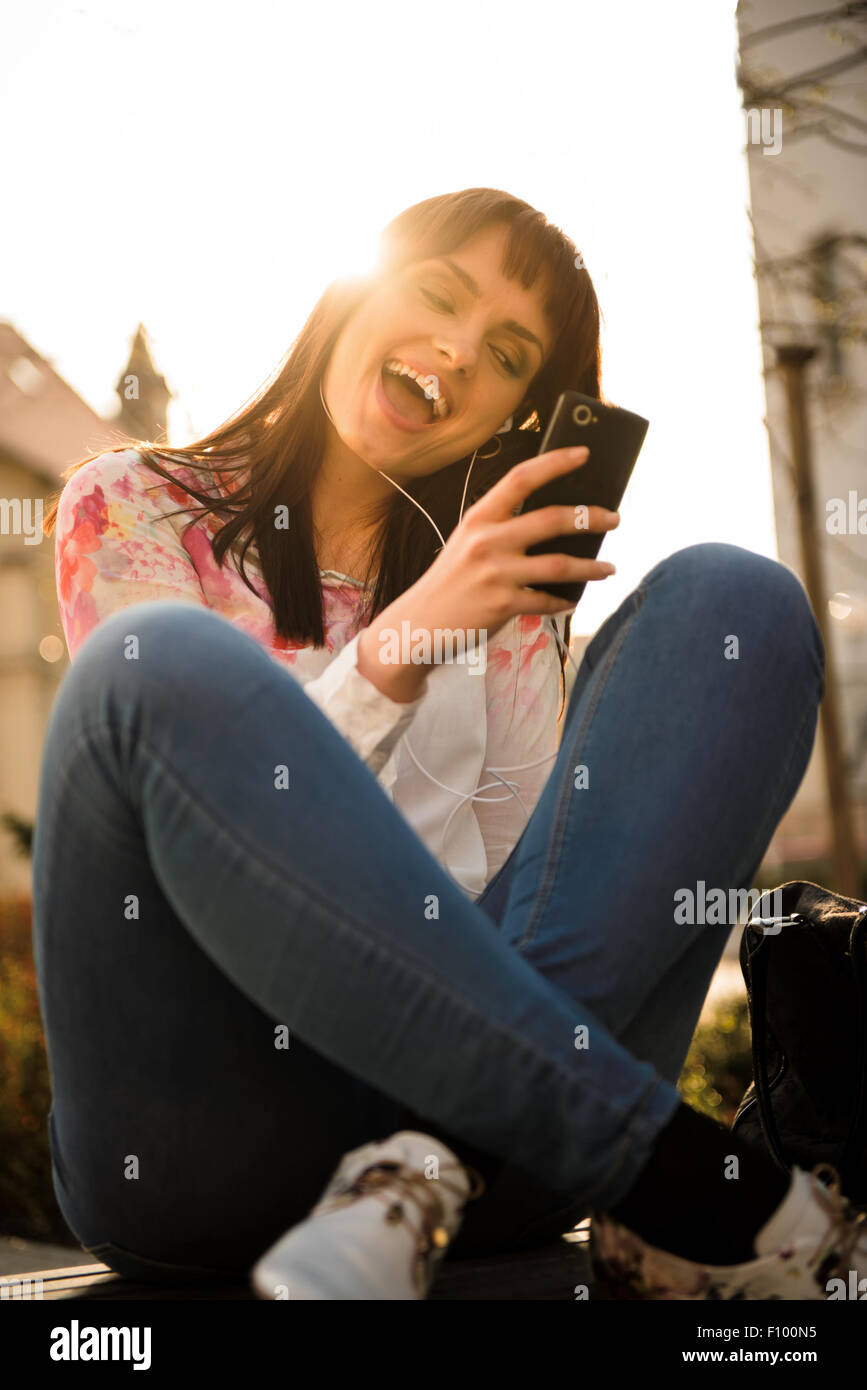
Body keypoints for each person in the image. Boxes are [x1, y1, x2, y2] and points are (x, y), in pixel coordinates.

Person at [33, 188, 865, 1301]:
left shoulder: (510, 605)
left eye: (509, 353)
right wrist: (411, 637)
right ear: (352, 296)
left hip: (484, 1163)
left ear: (520, 413)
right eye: (437, 294)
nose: (458, 351)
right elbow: (198, 866)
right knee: (162, 667)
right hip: (200, 1146)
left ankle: (420, 1172)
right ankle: (665, 1164)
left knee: (737, 601)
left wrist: (482, 615)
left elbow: (551, 919)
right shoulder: (129, 507)